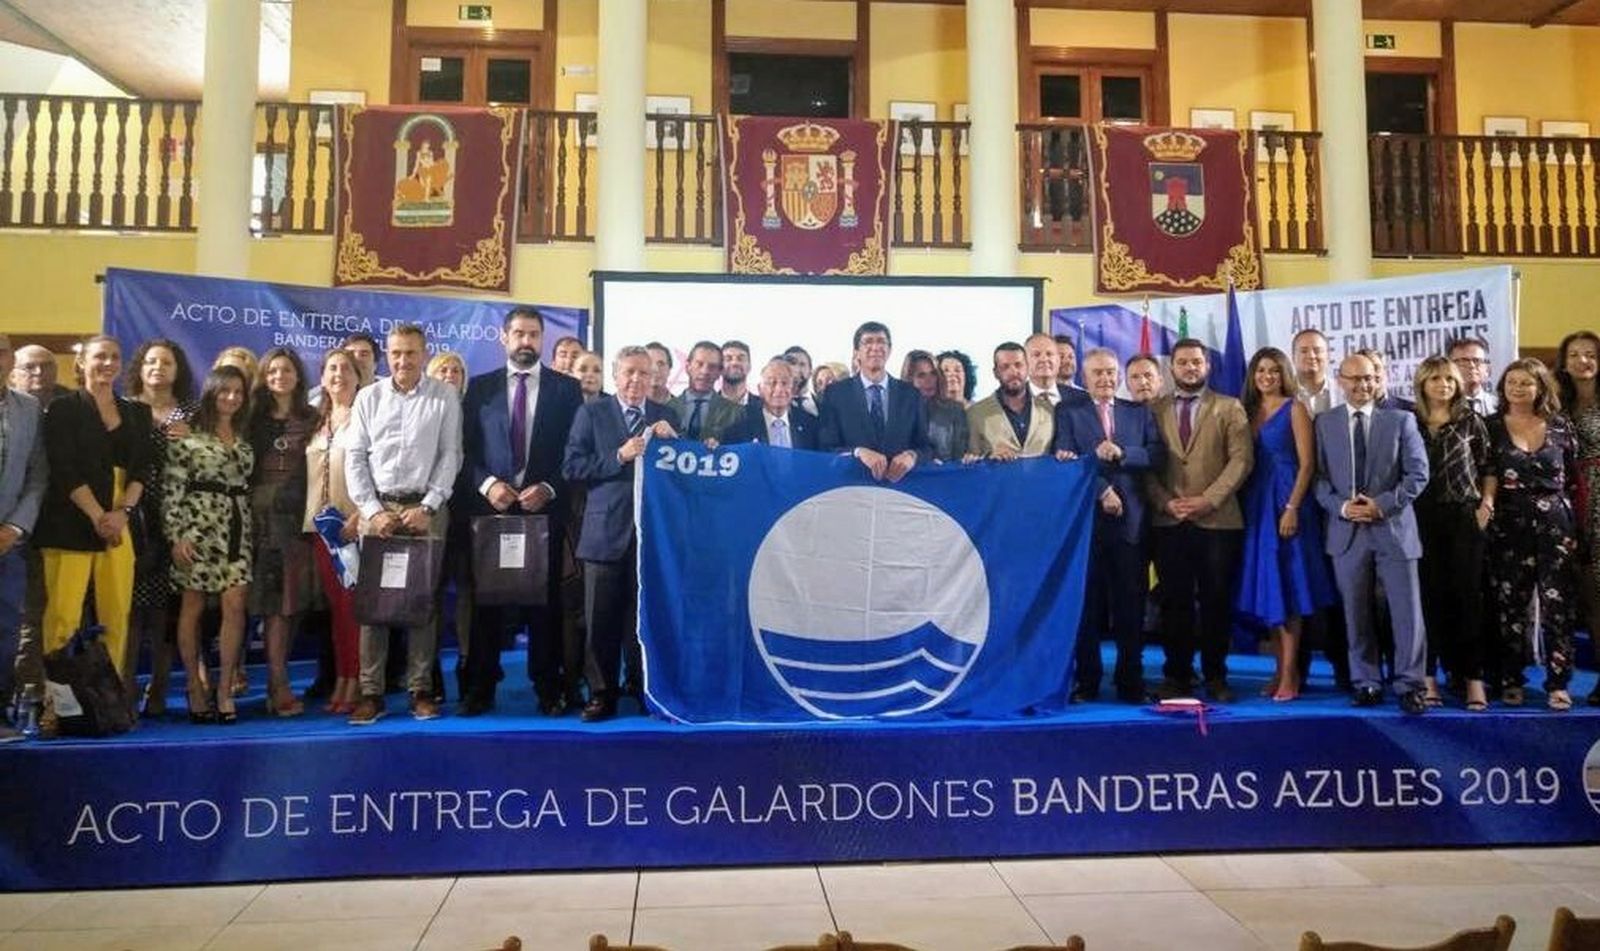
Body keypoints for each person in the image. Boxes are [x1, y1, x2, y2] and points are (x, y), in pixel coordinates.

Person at [461, 307, 584, 716]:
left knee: (544, 606)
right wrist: (487, 484)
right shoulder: (479, 389)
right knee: (486, 605)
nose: (526, 342)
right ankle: (480, 687)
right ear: (504, 338)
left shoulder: (566, 390)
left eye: (533, 334)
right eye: (519, 334)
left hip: (543, 511)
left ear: (543, 338)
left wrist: (549, 487)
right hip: (491, 512)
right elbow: (464, 451)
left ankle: (548, 687)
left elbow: (574, 453)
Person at [344, 325, 463, 725]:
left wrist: (429, 505)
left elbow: (451, 455)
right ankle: (371, 693)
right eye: (396, 353)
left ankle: (420, 690)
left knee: (421, 603)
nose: (403, 361)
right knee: (374, 605)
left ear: (424, 353)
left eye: (411, 353)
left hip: (424, 510)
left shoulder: (444, 396)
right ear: (387, 355)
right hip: (378, 510)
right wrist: (371, 510)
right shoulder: (368, 397)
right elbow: (355, 457)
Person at [562, 346, 679, 721]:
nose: (636, 380)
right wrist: (619, 456)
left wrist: (676, 443)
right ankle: (601, 692)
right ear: (616, 376)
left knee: (644, 618)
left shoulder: (666, 415)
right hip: (603, 532)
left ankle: (645, 688)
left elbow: (683, 472)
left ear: (653, 379)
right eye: (629, 372)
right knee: (600, 619)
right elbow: (572, 466)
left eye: (644, 374)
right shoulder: (591, 412)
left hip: (651, 536)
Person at [1313, 353, 1431, 715]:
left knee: (1407, 612)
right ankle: (1365, 681)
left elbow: (1418, 475)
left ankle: (1411, 684)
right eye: (1355, 379)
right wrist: (1342, 507)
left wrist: (1380, 504)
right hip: (1346, 532)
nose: (1363, 385)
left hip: (1393, 529)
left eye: (1370, 378)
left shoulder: (1402, 420)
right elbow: (1317, 479)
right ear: (1340, 379)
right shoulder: (1324, 422)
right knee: (1355, 611)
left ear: (1379, 380)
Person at [34, 336, 153, 677]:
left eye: (115, 356)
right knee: (62, 615)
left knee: (116, 614)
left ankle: (109, 700)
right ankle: (58, 704)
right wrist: (99, 516)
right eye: (100, 356)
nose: (108, 363)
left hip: (120, 521)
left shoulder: (137, 412)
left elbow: (142, 468)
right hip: (72, 519)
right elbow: (64, 468)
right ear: (82, 362)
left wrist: (122, 514)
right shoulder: (62, 408)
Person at [1145, 339, 1254, 702]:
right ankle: (1176, 675)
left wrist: (1208, 500)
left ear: (1207, 367)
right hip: (1169, 520)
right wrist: (1165, 502)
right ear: (1171, 368)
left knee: (1216, 602)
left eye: (1196, 362)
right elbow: (1144, 465)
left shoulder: (1230, 407)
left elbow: (1241, 461)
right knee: (1173, 603)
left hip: (1218, 522)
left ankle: (1216, 676)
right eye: (1182, 362)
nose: (1190, 368)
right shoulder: (1152, 409)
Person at [1057, 348, 1164, 703]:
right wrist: (1102, 490)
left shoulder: (1139, 411)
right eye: (1097, 373)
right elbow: (1065, 457)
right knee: (1087, 607)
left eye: (1110, 372)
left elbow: (1155, 455)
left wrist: (1121, 454)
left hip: (1132, 525)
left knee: (1131, 608)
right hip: (1086, 523)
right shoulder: (1068, 412)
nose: (1104, 379)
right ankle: (1087, 682)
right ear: (1084, 379)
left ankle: (1130, 681)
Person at [1234, 347, 1336, 703]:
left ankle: (1292, 673)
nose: (1267, 377)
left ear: (1284, 375)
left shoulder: (1295, 408)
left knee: (1290, 586)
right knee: (1269, 586)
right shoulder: (1246, 411)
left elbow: (1308, 464)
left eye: (1274, 371)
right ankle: (1279, 669)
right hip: (1257, 503)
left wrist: (1292, 507)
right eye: (1261, 370)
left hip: (1288, 501)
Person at [1482, 358, 1580, 711]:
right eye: (1512, 382)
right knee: (1510, 606)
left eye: (1526, 382)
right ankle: (1511, 679)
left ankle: (1558, 682)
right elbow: (1486, 472)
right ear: (1503, 387)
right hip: (1508, 525)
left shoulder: (1560, 426)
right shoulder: (1489, 426)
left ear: (1540, 387)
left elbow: (1572, 477)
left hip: (1556, 526)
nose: (1518, 388)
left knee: (1559, 606)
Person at [164, 366, 253, 725]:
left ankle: (225, 688)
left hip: (238, 527)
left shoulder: (246, 435)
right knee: (192, 606)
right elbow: (172, 491)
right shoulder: (187, 435)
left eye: (237, 392)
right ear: (211, 393)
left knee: (235, 603)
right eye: (224, 391)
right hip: (197, 528)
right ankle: (193, 685)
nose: (230, 398)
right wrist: (176, 536)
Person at [1412, 355, 1491, 712]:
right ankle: (1428, 678)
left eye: (1449, 379)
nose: (1443, 385)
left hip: (1463, 516)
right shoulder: (1408, 421)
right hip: (1421, 517)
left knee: (1467, 598)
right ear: (1423, 384)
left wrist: (1485, 504)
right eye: (1435, 379)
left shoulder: (1470, 421)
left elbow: (1488, 466)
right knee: (1428, 599)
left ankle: (1473, 678)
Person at [123, 338, 197, 715]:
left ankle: (159, 689)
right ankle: (123, 690)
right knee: (131, 610)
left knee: (164, 612)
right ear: (140, 367)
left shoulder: (190, 414)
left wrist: (194, 438)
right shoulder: (122, 410)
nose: (158, 368)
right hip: (128, 519)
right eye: (151, 361)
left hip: (174, 520)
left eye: (166, 362)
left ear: (177, 369)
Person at [247, 347, 317, 717]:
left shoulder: (311, 418)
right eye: (272, 370)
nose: (279, 376)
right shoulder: (251, 418)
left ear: (298, 376)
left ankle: (278, 679)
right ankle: (278, 685)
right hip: (261, 522)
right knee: (273, 605)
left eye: (286, 370)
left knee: (293, 605)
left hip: (300, 521)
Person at [304, 349, 364, 715]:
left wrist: (361, 514)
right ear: (322, 378)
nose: (338, 374)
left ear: (358, 377)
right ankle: (341, 676)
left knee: (352, 609)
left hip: (352, 527)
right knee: (335, 609)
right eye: (331, 368)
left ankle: (355, 680)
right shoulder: (315, 419)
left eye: (346, 368)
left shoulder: (366, 416)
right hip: (318, 527)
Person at [0, 334, 46, 740]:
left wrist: (15, 527)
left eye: (0, 349)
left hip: (9, 541)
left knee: (6, 632)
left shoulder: (28, 408)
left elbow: (37, 475)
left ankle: (0, 716)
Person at [820, 322, 927, 482]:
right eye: (868, 342)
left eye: (881, 341)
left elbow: (927, 447)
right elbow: (825, 447)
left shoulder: (911, 394)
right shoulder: (836, 394)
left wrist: (912, 456)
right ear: (857, 352)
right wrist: (857, 452)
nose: (875, 347)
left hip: (899, 490)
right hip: (851, 489)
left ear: (889, 350)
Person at [1557, 331, 1600, 706]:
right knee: (1589, 596)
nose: (1582, 361)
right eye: (1574, 354)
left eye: (1589, 354)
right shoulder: (1557, 404)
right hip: (1573, 504)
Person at [967, 343, 1053, 459]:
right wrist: (989, 458)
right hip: (997, 476)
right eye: (1005, 367)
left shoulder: (1049, 409)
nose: (1013, 372)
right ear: (996, 373)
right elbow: (972, 462)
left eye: (1018, 365)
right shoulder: (976, 413)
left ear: (1027, 368)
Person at [725, 357, 819, 448]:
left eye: (785, 383)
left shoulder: (809, 424)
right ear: (760, 389)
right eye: (772, 383)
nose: (779, 389)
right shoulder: (741, 421)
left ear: (793, 389)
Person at [900, 350, 968, 462]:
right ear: (909, 379)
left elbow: (960, 457)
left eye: (933, 374)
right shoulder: (897, 412)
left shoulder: (955, 410)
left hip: (946, 475)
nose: (929, 380)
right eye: (921, 375)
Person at [668, 342, 740, 442]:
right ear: (688, 367)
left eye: (712, 366)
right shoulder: (667, 408)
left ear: (719, 372)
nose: (705, 371)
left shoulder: (735, 413)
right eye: (699, 364)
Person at [1027, 332, 1085, 411]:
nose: (1044, 359)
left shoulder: (1083, 399)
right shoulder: (1011, 398)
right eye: (1036, 354)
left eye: (1049, 354)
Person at [1292, 328, 1338, 417]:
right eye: (1304, 351)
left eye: (1317, 351)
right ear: (1293, 357)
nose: (1311, 356)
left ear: (1328, 356)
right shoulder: (1282, 392)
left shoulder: (1343, 391)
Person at [1450, 335, 1498, 417]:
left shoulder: (1499, 406)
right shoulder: (1441, 406)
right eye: (1463, 361)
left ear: (1487, 370)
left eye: (1477, 360)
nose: (1471, 365)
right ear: (1450, 367)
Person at [1356, 347, 1414, 412]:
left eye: (1376, 368)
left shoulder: (1411, 411)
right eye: (1364, 369)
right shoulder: (1344, 414)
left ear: (1386, 371)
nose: (1371, 374)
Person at [783, 346, 817, 415]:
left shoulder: (827, 407)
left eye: (802, 364)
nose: (797, 369)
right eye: (792, 364)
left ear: (810, 372)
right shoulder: (771, 407)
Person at [720, 340, 753, 406]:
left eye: (741, 359)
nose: (735, 363)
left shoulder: (763, 407)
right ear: (719, 366)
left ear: (749, 366)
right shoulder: (708, 406)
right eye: (728, 359)